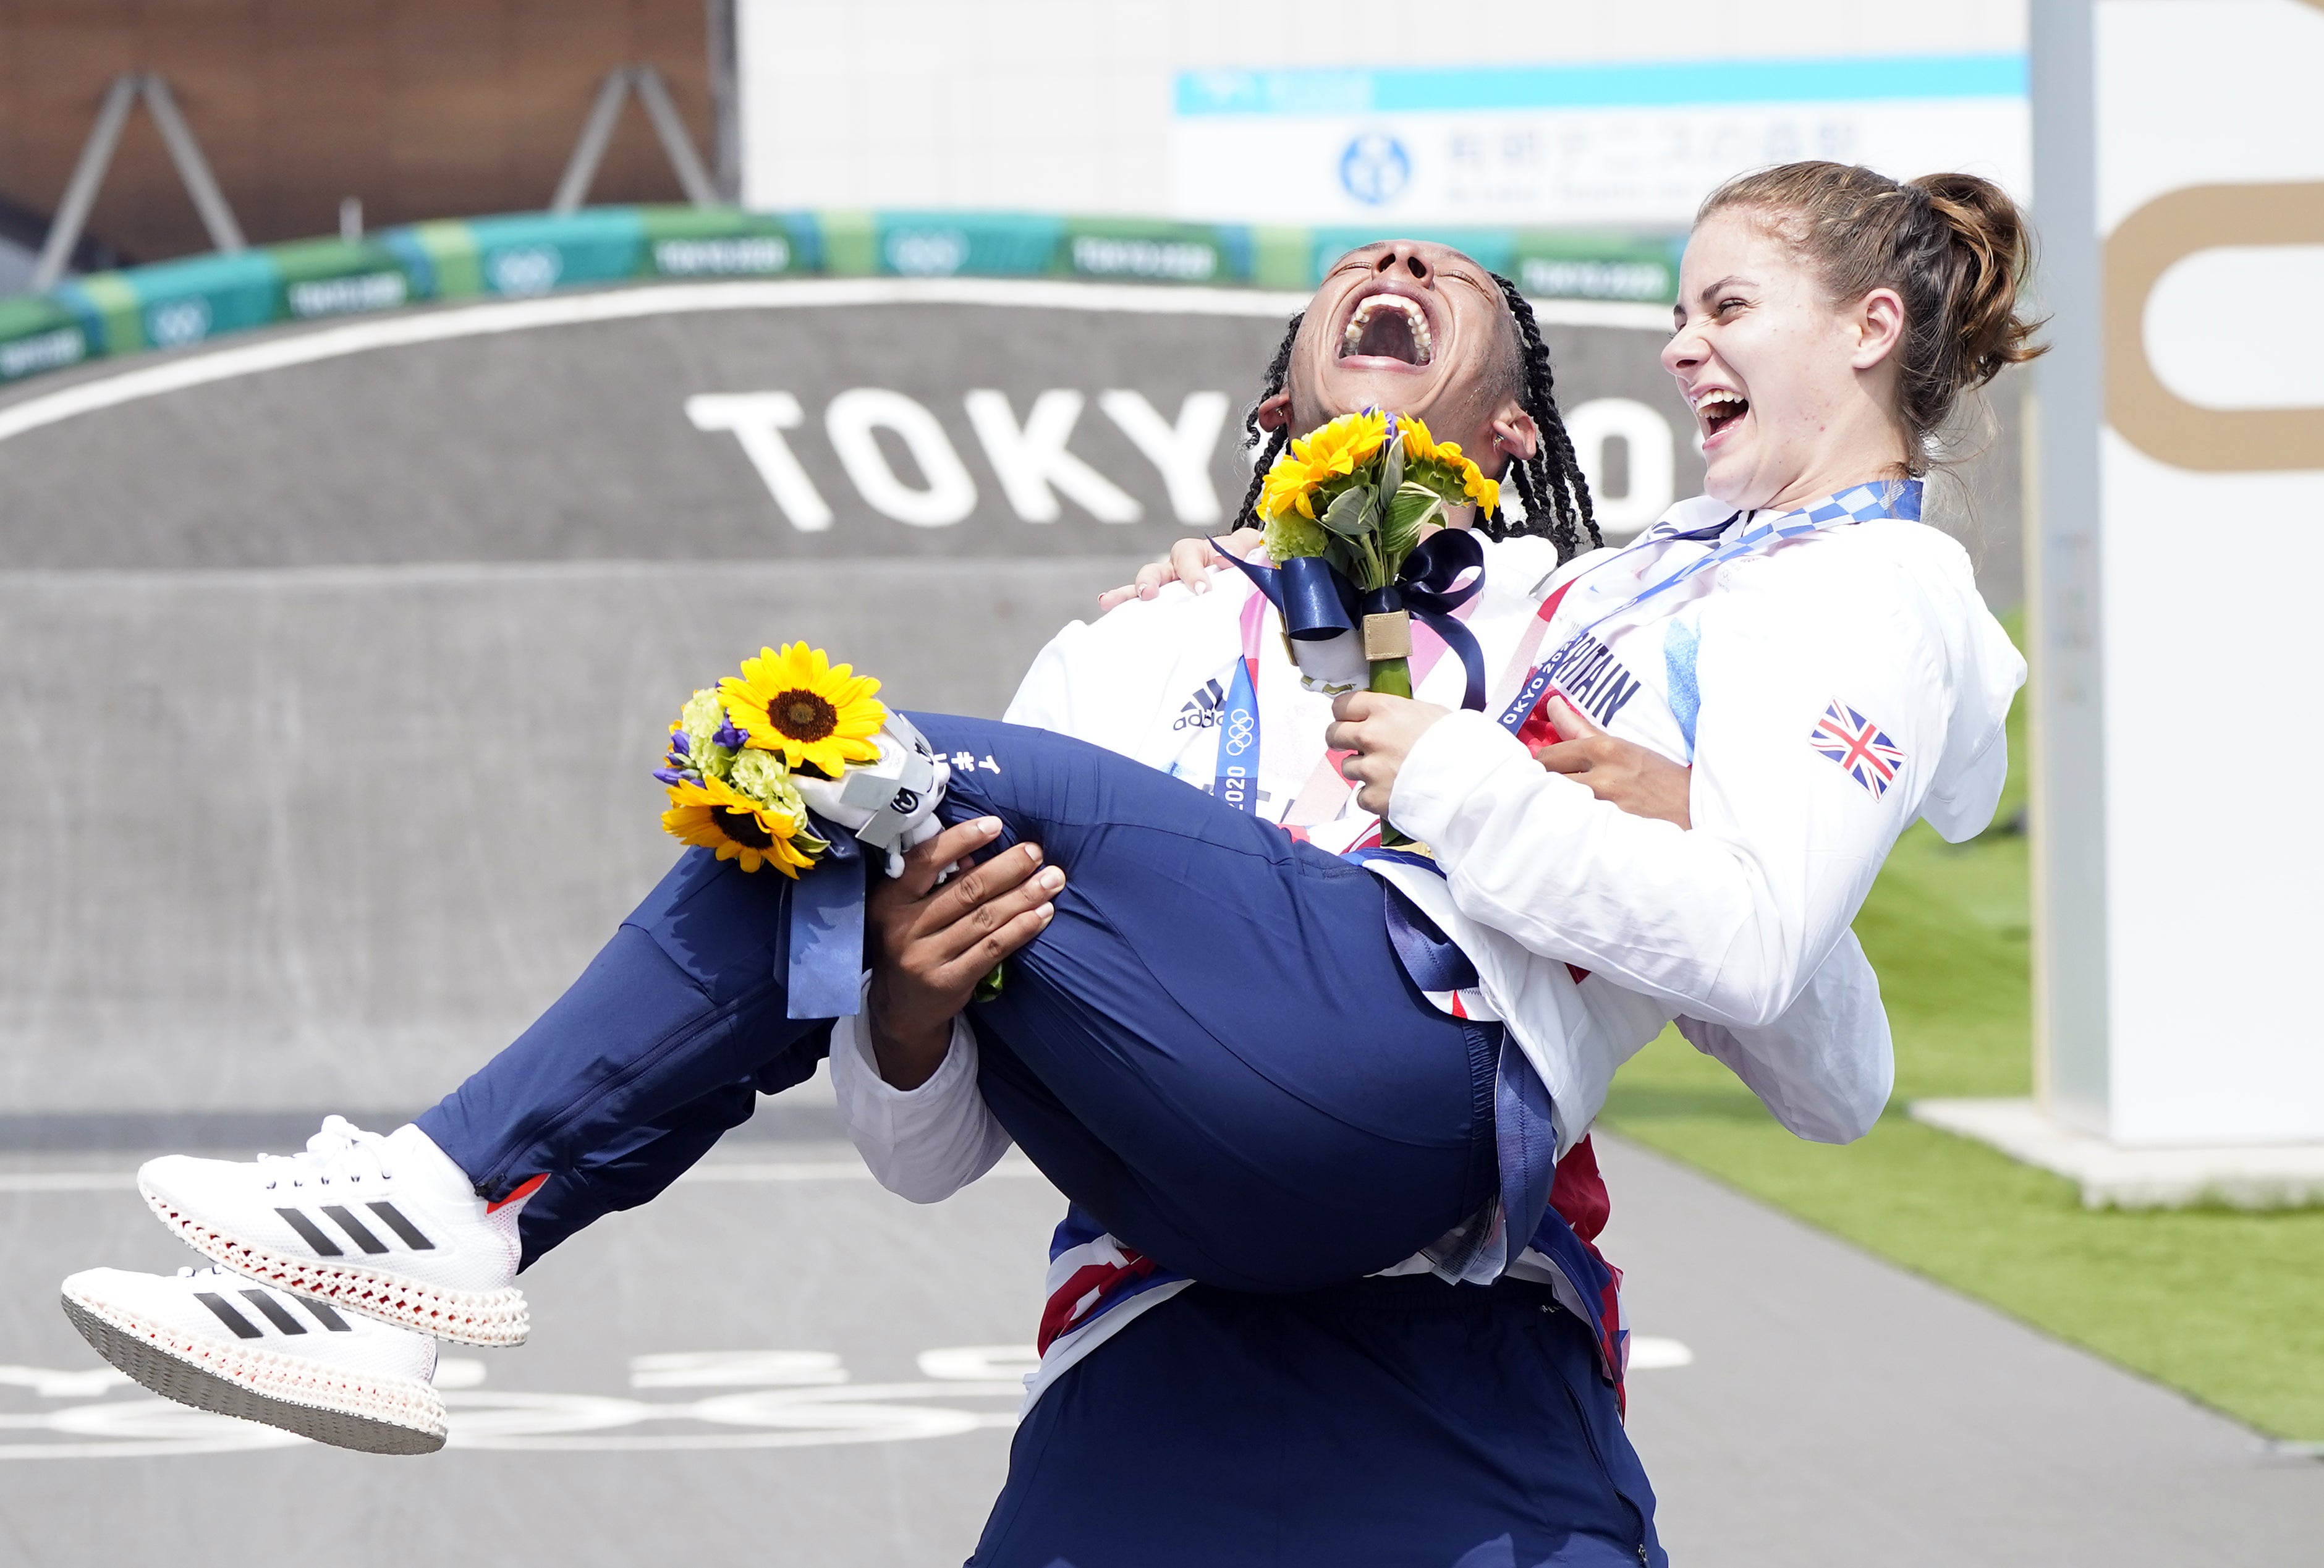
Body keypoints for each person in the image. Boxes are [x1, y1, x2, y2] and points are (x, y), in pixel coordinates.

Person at [64, 156, 2027, 1561]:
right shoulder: (1129, 644)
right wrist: (910, 1007)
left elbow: (1807, 1032)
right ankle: (423, 1252)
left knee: (848, 744)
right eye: (1356, 264)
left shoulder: (1582, 617)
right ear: (1279, 411)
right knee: (820, 787)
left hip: (1465, 1334)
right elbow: (925, 1157)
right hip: (1156, 1334)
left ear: (1513, 429)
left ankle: (438, 1211)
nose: (1401, 256)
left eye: (1456, 277)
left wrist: (1649, 809)